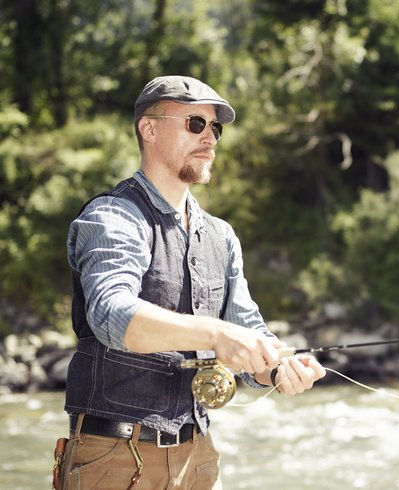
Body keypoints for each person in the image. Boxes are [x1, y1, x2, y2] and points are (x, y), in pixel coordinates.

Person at [58, 75, 326, 489]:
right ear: (149, 129)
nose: (210, 139)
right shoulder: (113, 216)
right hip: (113, 460)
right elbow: (111, 315)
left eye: (214, 128)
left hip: (199, 460)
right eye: (195, 124)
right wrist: (217, 334)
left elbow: (247, 329)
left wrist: (277, 367)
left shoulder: (222, 236)